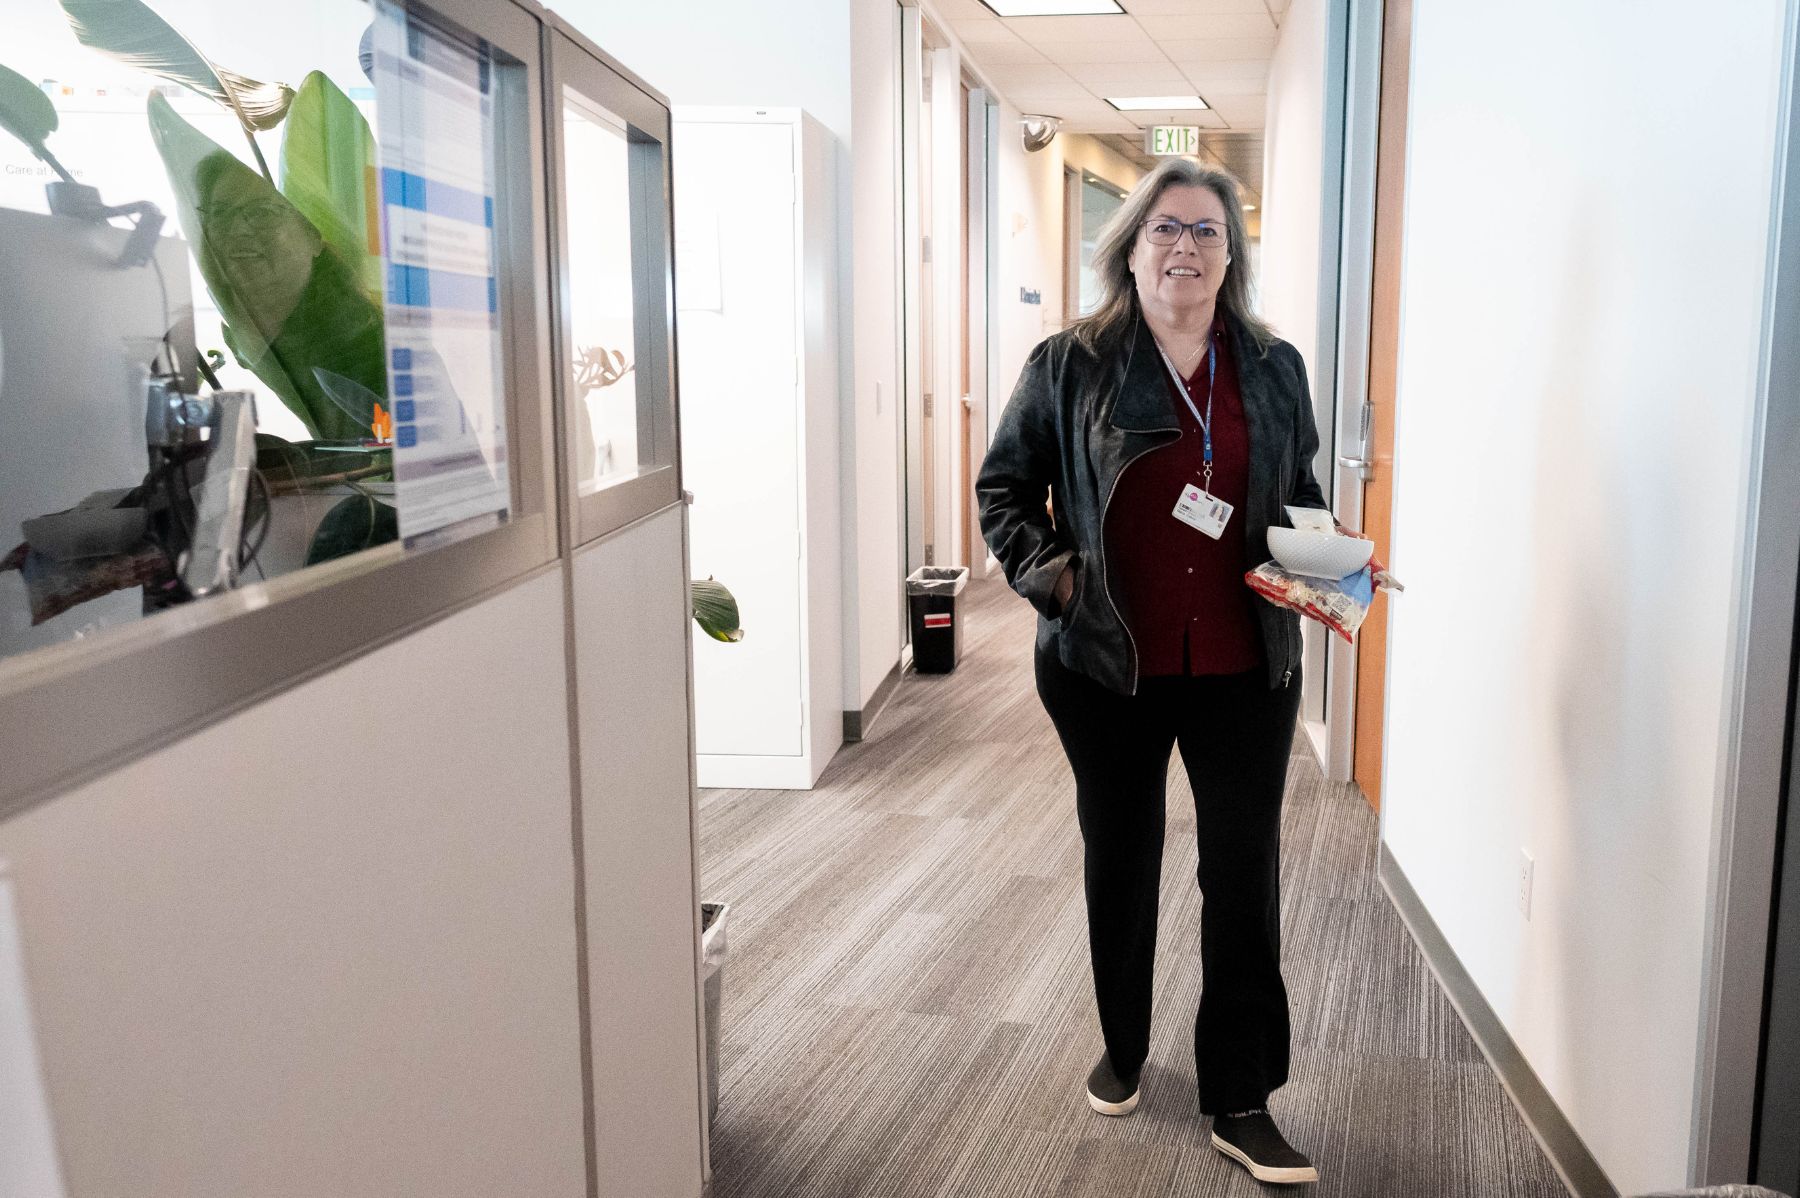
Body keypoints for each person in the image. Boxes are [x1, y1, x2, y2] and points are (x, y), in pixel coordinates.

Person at [977, 157, 1347, 1187]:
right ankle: (1125, 1043)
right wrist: (1055, 585)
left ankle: (1239, 1094)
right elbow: (1004, 490)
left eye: (1207, 233)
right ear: (1130, 247)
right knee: (1121, 851)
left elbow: (1296, 489)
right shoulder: (1069, 363)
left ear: (1232, 256)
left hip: (1243, 662)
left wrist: (1330, 558)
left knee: (1241, 873)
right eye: (1166, 230)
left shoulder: (1273, 368)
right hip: (1107, 662)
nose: (1185, 248)